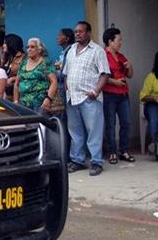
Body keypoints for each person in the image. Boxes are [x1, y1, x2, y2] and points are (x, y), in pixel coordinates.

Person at [63, 21, 110, 176]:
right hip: (72, 97)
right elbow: (66, 73)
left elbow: (105, 74)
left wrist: (95, 91)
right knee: (75, 132)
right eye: (76, 31)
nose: (77, 34)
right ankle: (78, 160)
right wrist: (67, 88)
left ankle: (96, 162)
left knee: (94, 131)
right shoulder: (70, 51)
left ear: (88, 33)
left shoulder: (97, 51)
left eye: (81, 31)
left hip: (89, 97)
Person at [102, 28, 135, 164]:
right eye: (118, 40)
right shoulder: (103, 55)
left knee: (126, 123)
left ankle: (124, 150)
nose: (121, 42)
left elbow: (130, 75)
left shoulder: (121, 56)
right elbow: (100, 75)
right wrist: (114, 81)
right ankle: (111, 152)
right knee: (110, 124)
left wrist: (129, 67)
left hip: (123, 94)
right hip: (109, 94)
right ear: (110, 41)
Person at [13, 38, 57, 116]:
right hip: (24, 104)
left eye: (32, 47)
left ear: (39, 50)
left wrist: (48, 99)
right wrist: (16, 101)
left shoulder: (45, 62)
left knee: (40, 126)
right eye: (27, 47)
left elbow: (54, 81)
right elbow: (17, 84)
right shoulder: (24, 63)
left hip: (40, 104)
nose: (29, 49)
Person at [140, 51, 158, 154]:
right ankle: (155, 143)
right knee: (154, 114)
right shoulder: (152, 77)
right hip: (152, 104)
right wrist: (154, 98)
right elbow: (143, 96)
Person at [3, 34, 26, 101]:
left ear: (11, 44)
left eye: (5, 43)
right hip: (6, 94)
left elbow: (27, 75)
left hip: (17, 95)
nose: (3, 45)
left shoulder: (24, 58)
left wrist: (13, 79)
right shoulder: (7, 57)